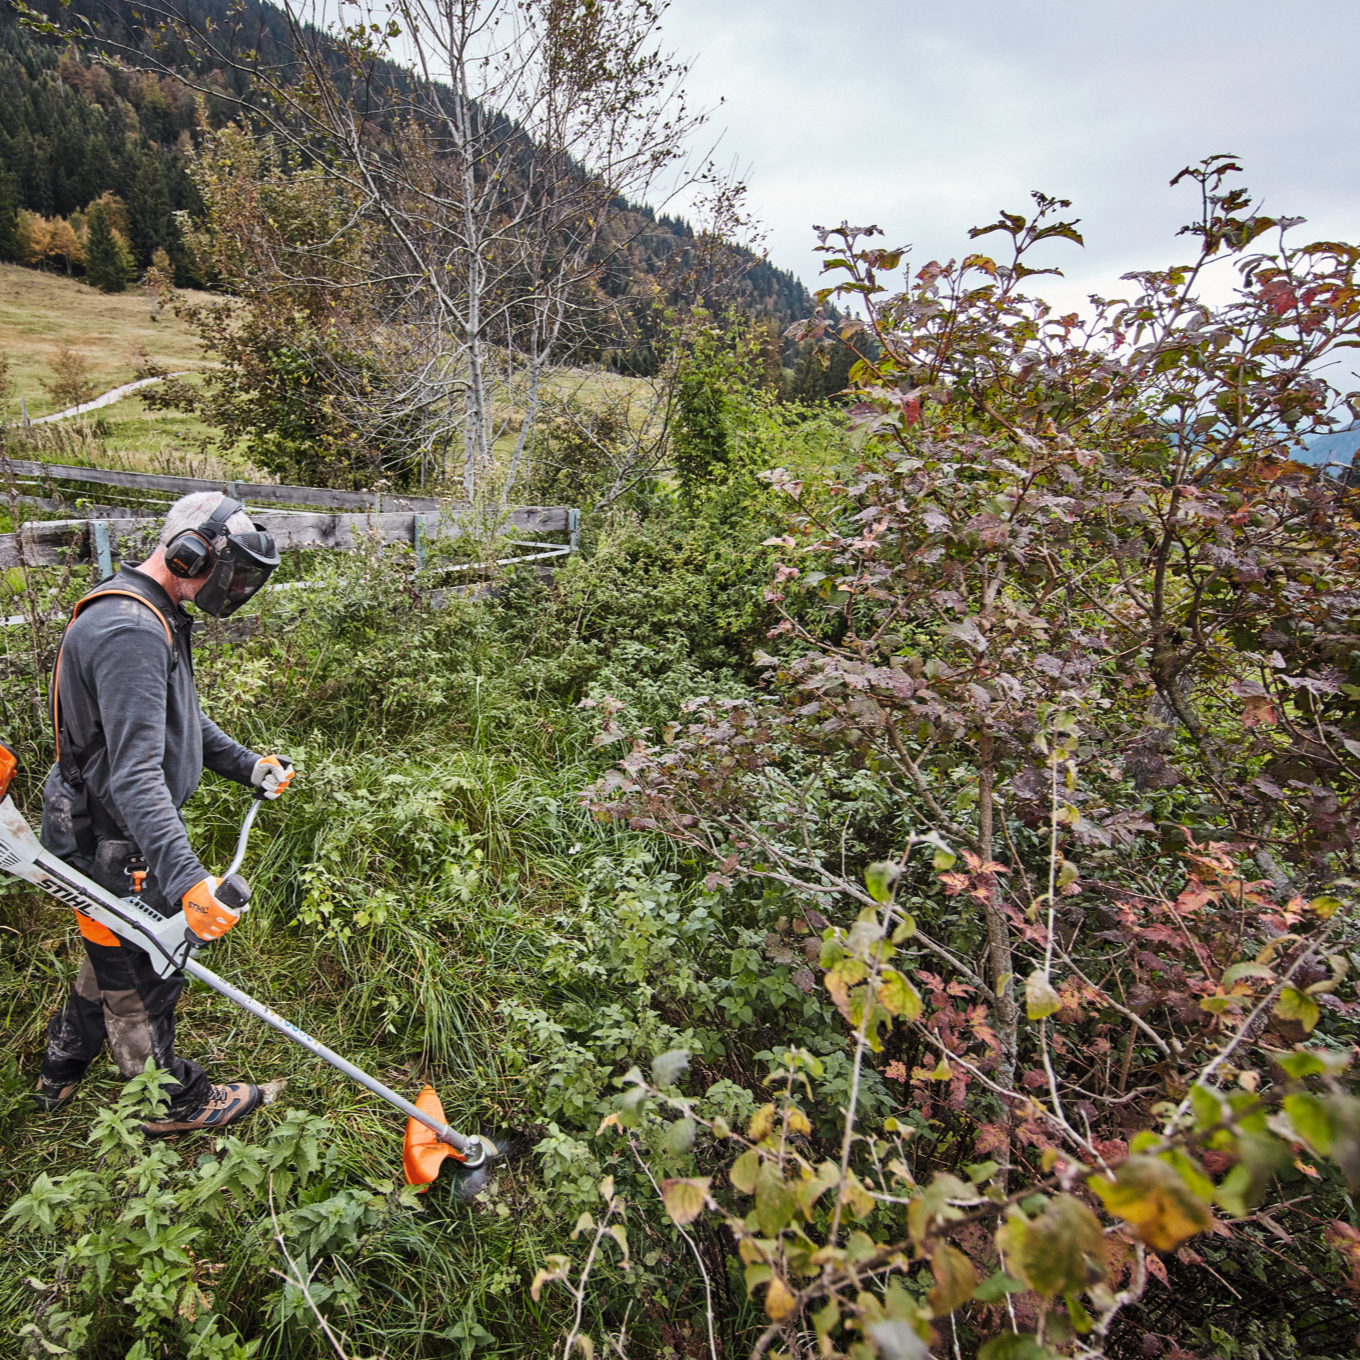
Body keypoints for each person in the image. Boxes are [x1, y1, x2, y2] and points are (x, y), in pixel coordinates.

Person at [34, 491, 293, 1136]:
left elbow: (180, 718)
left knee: (109, 954)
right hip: (113, 837)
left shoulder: (151, 610)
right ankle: (170, 1104)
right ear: (188, 553)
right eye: (229, 573)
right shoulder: (130, 632)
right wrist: (186, 881)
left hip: (108, 826)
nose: (234, 590)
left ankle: (58, 1070)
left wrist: (246, 765)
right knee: (147, 971)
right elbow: (135, 774)